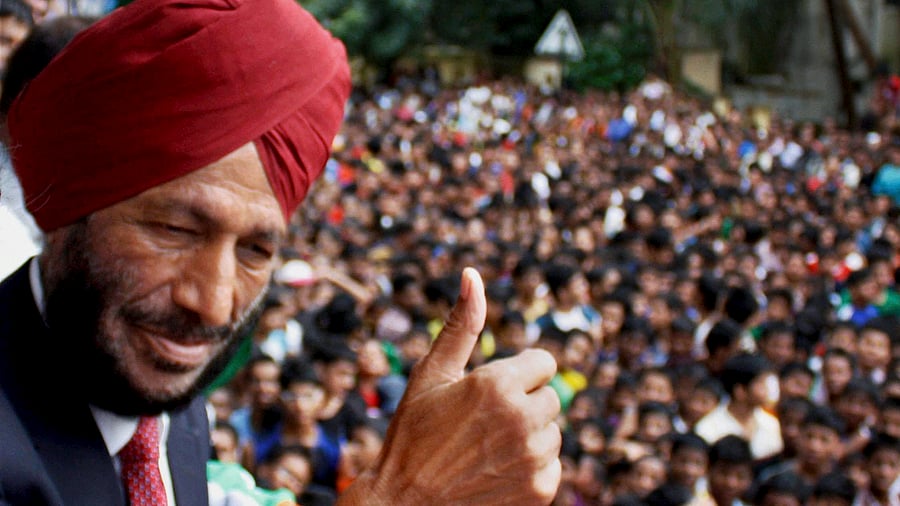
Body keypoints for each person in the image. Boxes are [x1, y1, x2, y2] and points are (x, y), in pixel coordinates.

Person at [0, 1, 561, 505]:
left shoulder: (163, 395)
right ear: (66, 208)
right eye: (174, 230)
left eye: (255, 250)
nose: (214, 305)